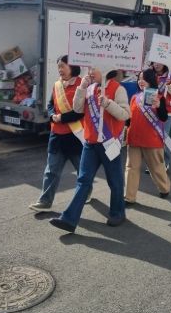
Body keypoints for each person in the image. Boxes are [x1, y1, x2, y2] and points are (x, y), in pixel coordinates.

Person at [49, 66, 130, 233]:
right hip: (90, 142)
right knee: (83, 180)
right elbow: (78, 109)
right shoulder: (89, 88)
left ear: (106, 68)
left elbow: (125, 114)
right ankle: (69, 219)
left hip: (109, 143)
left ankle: (118, 213)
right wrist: (81, 88)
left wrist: (108, 104)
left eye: (95, 68)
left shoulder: (118, 88)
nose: (90, 71)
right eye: (89, 68)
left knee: (115, 181)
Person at [29, 55, 87, 212]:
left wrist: (61, 118)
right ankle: (45, 201)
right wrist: (52, 115)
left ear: (72, 66)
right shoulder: (57, 85)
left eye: (63, 66)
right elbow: (50, 104)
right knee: (51, 171)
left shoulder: (82, 85)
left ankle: (86, 192)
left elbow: (81, 111)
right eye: (58, 67)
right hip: (57, 135)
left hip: (75, 136)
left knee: (82, 171)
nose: (60, 69)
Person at [124, 69, 171, 205]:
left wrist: (159, 106)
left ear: (150, 80)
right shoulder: (134, 97)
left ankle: (164, 188)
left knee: (156, 168)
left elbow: (164, 117)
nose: (140, 81)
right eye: (139, 79)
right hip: (134, 138)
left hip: (152, 139)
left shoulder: (159, 97)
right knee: (131, 168)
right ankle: (129, 197)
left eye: (143, 78)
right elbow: (129, 117)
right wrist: (125, 128)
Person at [150, 62, 171, 170]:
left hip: (167, 112)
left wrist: (170, 84)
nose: (156, 64)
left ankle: (165, 161)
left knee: (163, 137)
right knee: (152, 138)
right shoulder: (149, 74)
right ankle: (153, 162)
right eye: (154, 62)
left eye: (159, 62)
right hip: (151, 111)